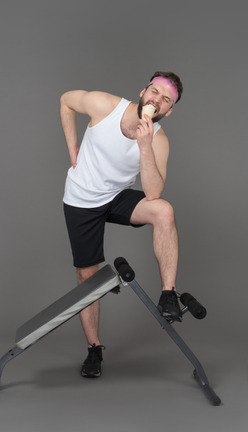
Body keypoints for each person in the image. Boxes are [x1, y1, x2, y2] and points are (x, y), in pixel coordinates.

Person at [60, 71, 183, 378]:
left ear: (169, 111)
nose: (157, 99)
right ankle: (93, 349)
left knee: (164, 211)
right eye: (154, 91)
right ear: (143, 91)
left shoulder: (159, 139)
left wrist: (144, 145)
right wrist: (72, 148)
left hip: (115, 197)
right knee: (88, 273)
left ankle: (169, 294)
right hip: (82, 200)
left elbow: (153, 194)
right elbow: (65, 102)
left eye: (165, 100)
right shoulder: (105, 105)